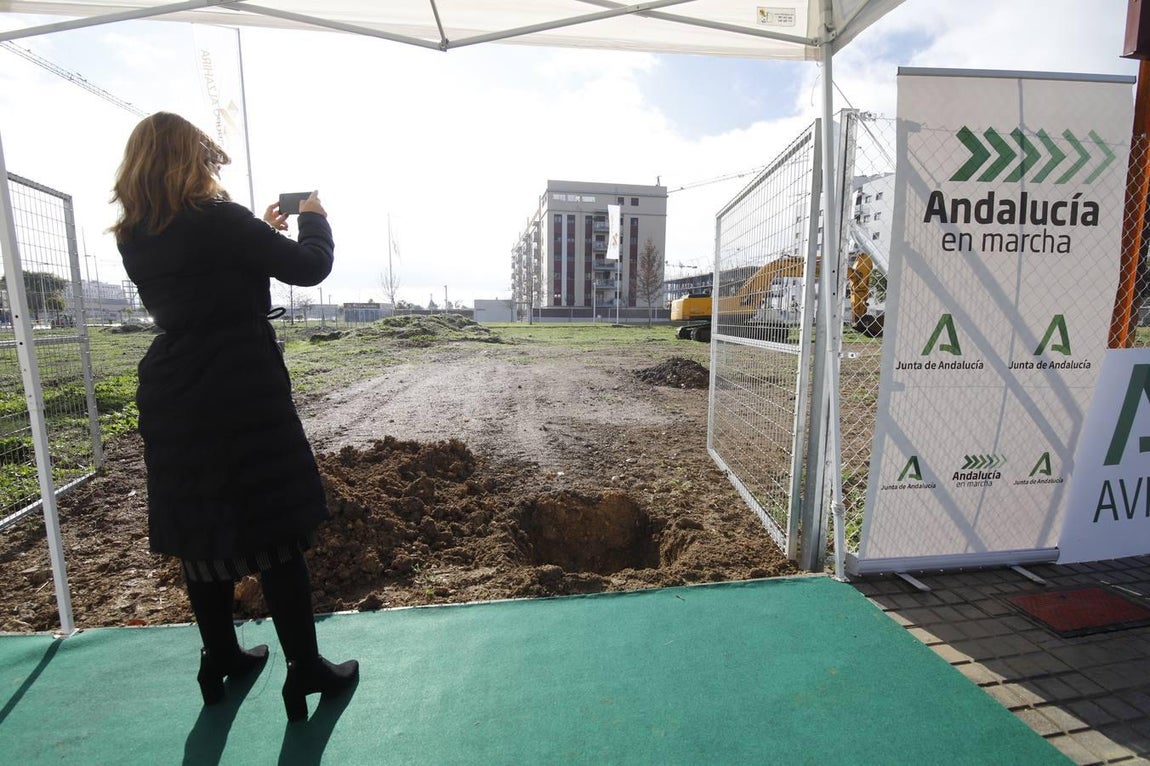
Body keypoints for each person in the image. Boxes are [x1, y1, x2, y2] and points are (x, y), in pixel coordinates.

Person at [111, 112, 357, 722]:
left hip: (173, 387)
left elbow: (203, 283)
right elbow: (309, 267)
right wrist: (313, 216)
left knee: (202, 528)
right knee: (275, 528)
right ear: (189, 160)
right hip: (238, 386)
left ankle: (219, 656)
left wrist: (256, 235)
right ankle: (305, 670)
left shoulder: (134, 232)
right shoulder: (220, 221)